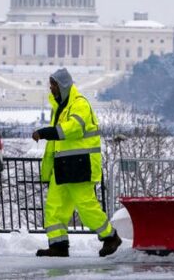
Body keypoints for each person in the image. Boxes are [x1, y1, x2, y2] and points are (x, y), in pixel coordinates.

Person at [32, 68, 121, 258]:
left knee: (86, 206)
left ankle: (110, 237)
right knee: (54, 208)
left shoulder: (79, 104)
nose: (51, 88)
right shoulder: (60, 108)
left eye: (54, 84)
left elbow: (72, 128)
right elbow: (56, 144)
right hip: (63, 166)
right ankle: (58, 246)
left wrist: (45, 132)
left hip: (80, 165)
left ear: (63, 85)